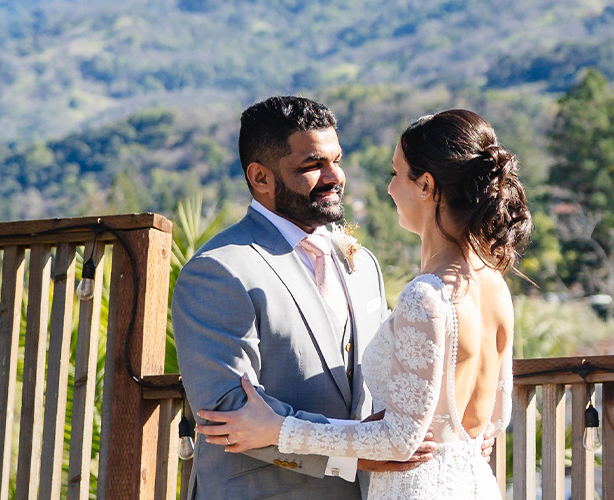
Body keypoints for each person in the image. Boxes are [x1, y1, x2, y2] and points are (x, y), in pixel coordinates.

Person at [196, 109, 532, 499]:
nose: (387, 188)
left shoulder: (424, 294)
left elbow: (400, 440)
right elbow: (495, 421)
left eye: (394, 174)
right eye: (314, 164)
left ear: (426, 185)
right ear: (260, 176)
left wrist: (280, 430)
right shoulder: (495, 286)